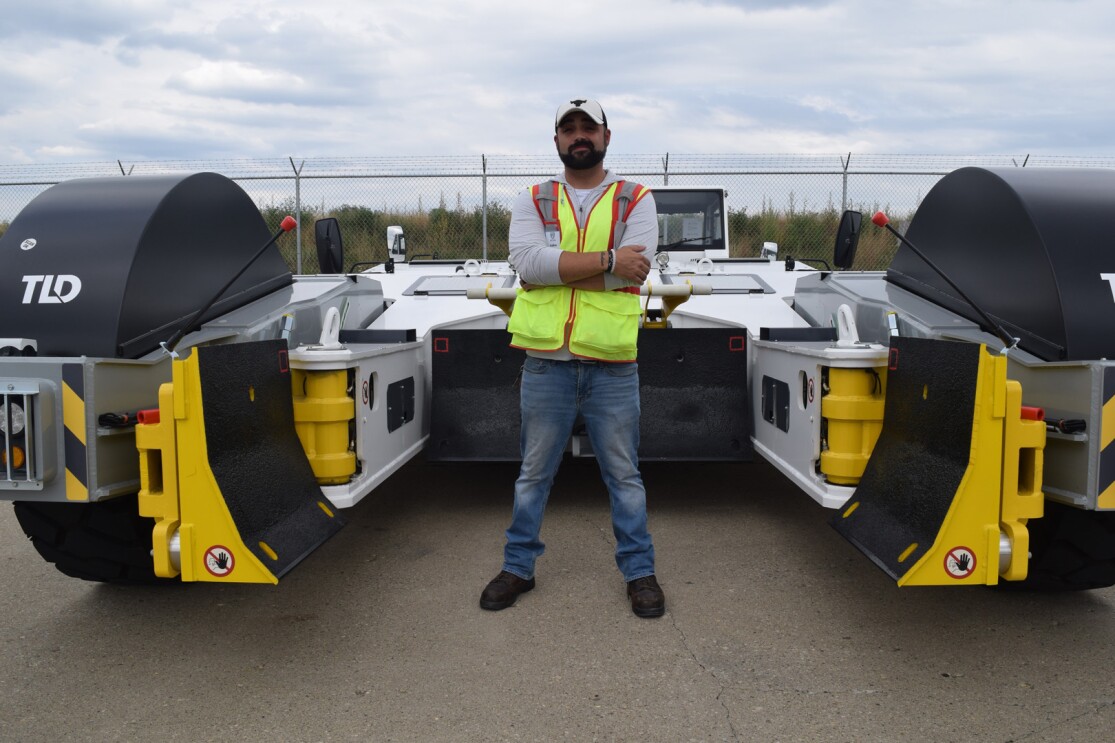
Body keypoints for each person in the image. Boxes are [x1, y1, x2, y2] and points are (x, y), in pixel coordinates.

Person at [479, 98, 664, 618]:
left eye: (588, 127)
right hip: (546, 363)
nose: (579, 135)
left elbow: (637, 272)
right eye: (569, 128)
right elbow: (528, 266)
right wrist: (607, 259)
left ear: (607, 136)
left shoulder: (636, 198)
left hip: (611, 365)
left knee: (623, 477)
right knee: (533, 474)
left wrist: (559, 267)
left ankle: (639, 572)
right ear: (556, 140)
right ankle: (518, 567)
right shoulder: (532, 199)